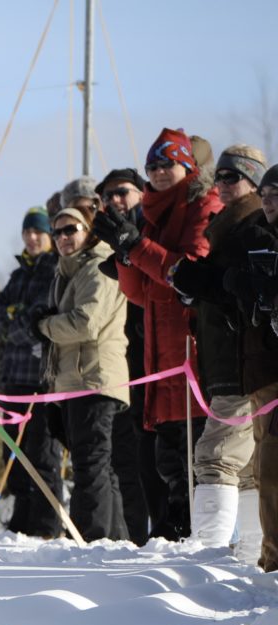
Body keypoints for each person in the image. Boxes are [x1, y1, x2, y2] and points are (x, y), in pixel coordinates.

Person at [93, 127, 222, 540]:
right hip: (159, 347)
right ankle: (174, 525)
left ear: (188, 166)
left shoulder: (204, 204)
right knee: (169, 452)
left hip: (194, 343)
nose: (160, 172)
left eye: (168, 164)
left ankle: (204, 534)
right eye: (153, 165)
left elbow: (186, 273)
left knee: (199, 449)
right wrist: (125, 255)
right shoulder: (150, 215)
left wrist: (136, 248)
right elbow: (140, 294)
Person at [170, 145, 268, 546]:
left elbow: (249, 294)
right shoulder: (226, 228)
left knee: (215, 457)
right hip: (226, 361)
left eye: (233, 177)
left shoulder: (253, 229)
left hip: (243, 363)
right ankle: (248, 554)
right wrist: (195, 291)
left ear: (254, 183)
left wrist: (207, 284)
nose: (222, 184)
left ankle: (208, 554)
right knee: (243, 465)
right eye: (219, 176)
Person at [31, 207, 128, 541]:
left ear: (89, 231)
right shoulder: (66, 271)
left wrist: (44, 325)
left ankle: (90, 538)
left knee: (91, 463)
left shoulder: (99, 268)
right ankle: (113, 539)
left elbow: (87, 323)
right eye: (56, 233)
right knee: (96, 462)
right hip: (73, 379)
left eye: (70, 229)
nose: (62, 238)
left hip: (95, 376)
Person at [0, 207, 65, 538]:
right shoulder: (18, 275)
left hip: (40, 377)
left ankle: (47, 522)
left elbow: (36, 324)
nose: (31, 238)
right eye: (27, 232)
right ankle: (22, 521)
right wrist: (14, 317)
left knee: (42, 453)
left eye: (38, 232)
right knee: (13, 452)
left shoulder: (53, 268)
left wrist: (12, 321)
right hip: (13, 375)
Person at [96, 167, 158, 544]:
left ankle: (177, 538)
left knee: (165, 454)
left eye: (122, 192)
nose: (115, 201)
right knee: (134, 457)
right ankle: (140, 537)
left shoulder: (153, 227)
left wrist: (134, 247)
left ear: (141, 192)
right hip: (132, 358)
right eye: (108, 197)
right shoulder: (109, 240)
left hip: (168, 353)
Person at [222, 165, 278, 569]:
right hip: (261, 371)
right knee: (265, 471)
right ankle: (270, 559)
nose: (269, 201)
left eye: (277, 194)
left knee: (270, 471)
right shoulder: (257, 239)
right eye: (266, 194)